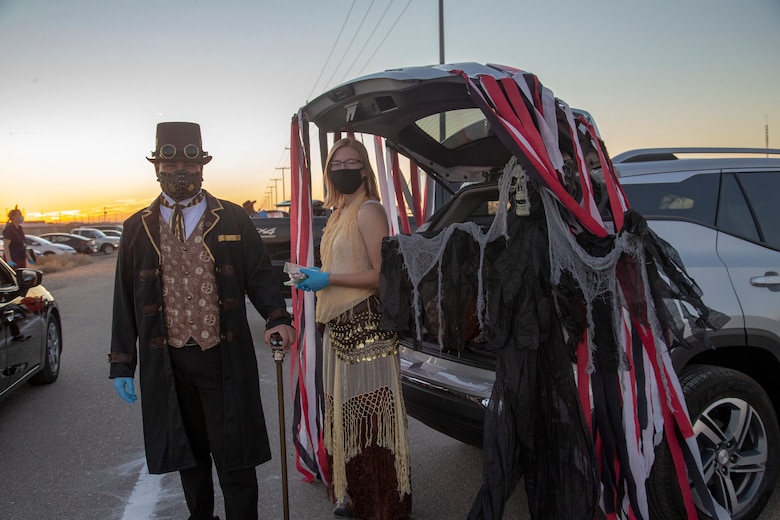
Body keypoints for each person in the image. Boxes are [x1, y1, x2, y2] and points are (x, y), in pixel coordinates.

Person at [108, 122, 296, 520]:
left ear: (203, 167)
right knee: (189, 458)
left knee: (236, 458)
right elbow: (125, 297)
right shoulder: (136, 227)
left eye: (189, 163)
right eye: (170, 161)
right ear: (156, 166)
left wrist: (277, 317)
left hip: (222, 356)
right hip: (169, 361)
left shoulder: (230, 218)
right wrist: (123, 362)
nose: (180, 170)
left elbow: (259, 274)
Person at [295, 138, 412, 519]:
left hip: (367, 330)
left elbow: (382, 275)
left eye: (352, 162)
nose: (343, 169)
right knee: (345, 419)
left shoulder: (368, 209)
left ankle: (385, 508)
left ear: (365, 169)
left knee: (370, 421)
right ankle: (359, 499)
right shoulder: (338, 211)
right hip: (338, 329)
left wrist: (327, 278)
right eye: (336, 163)